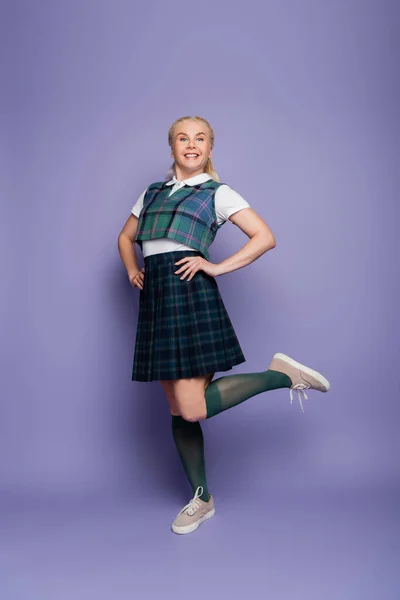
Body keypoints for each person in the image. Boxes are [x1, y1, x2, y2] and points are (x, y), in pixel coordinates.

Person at [118, 115, 330, 535]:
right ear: (172, 146)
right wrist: (131, 271)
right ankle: (202, 498)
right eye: (183, 138)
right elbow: (126, 238)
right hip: (157, 299)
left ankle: (279, 376)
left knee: (192, 406)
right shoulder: (152, 192)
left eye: (200, 139)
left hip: (190, 296)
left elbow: (264, 237)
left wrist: (215, 267)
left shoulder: (218, 193)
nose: (191, 145)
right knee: (179, 409)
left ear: (210, 148)